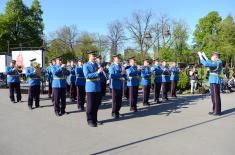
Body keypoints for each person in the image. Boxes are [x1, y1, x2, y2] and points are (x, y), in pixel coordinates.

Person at [198, 51, 222, 116]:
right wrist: (205, 56)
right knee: (213, 96)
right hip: (213, 80)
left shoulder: (218, 62)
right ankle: (215, 110)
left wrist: (200, 56)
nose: (212, 58)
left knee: (215, 97)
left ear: (216, 57)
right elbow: (210, 62)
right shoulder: (216, 61)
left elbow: (207, 64)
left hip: (215, 80)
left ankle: (217, 111)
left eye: (213, 56)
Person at [83, 51, 103, 127]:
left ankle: (95, 119)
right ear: (89, 56)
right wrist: (97, 72)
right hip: (90, 88)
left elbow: (99, 75)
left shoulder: (96, 64)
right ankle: (90, 120)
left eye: (95, 56)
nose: (94, 57)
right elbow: (87, 76)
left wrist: (101, 71)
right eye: (93, 56)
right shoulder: (86, 65)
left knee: (96, 105)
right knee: (90, 105)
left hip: (97, 87)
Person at [109, 54, 125, 118]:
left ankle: (117, 111)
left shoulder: (120, 66)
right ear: (114, 59)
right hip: (114, 85)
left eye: (119, 58)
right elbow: (112, 76)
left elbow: (123, 74)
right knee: (115, 100)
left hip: (120, 85)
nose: (118, 59)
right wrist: (120, 74)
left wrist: (125, 76)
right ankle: (113, 112)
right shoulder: (112, 66)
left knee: (119, 100)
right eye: (117, 58)